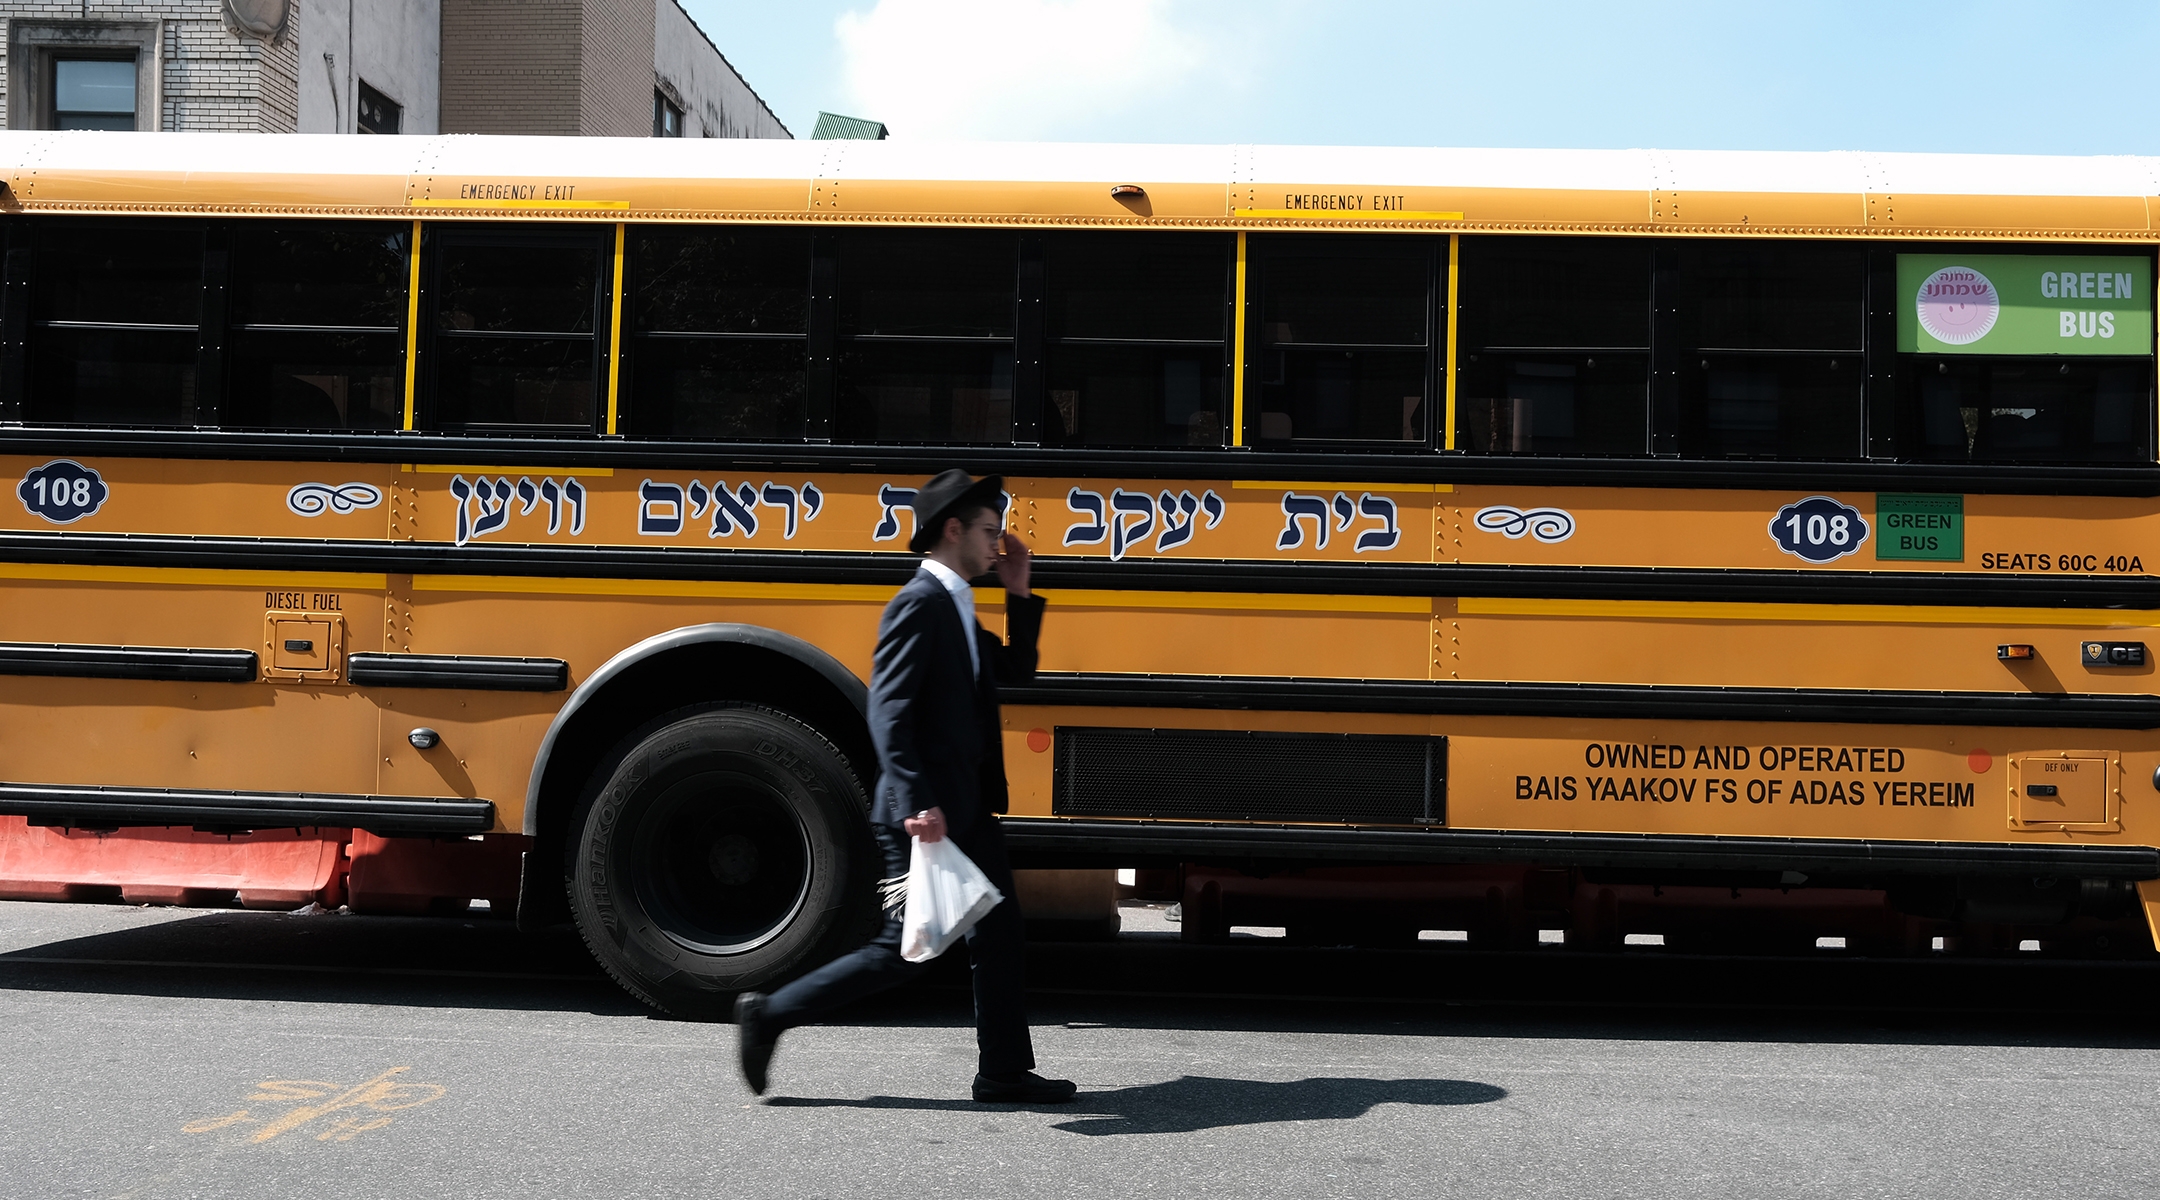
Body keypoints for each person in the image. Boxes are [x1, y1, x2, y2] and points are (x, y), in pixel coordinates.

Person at [733, 469, 1078, 1105]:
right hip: (927, 812)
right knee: (904, 951)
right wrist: (920, 803)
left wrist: (1019, 593)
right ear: (954, 530)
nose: (996, 544)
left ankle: (1003, 1071)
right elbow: (888, 711)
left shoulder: (957, 604)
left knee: (1000, 934)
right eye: (988, 532)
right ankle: (769, 1013)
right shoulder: (918, 603)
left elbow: (1015, 674)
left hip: (966, 807)